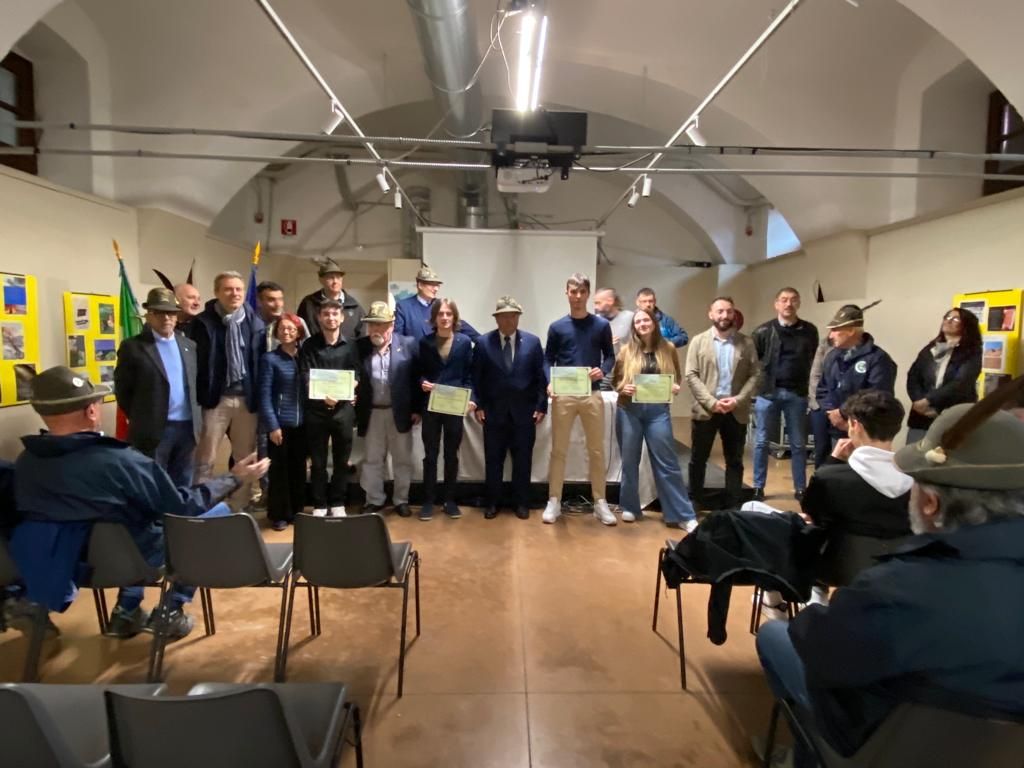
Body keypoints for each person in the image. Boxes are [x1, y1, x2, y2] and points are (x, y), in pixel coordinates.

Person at [756, 381, 1024, 765]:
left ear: (929, 502)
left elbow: (818, 650)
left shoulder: (895, 590)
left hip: (882, 750)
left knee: (776, 637)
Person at [9, 367, 268, 639]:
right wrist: (234, 478)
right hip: (134, 561)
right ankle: (170, 610)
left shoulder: (26, 463)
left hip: (68, 564)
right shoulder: (119, 462)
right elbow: (183, 506)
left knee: (131, 522)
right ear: (92, 411)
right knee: (212, 517)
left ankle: (127, 612)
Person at [612, 308, 697, 531]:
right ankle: (630, 506)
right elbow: (615, 380)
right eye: (638, 321)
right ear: (634, 326)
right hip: (629, 410)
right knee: (629, 461)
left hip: (658, 412)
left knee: (667, 462)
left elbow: (676, 376)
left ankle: (682, 514)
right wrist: (623, 387)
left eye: (646, 320)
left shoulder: (668, 348)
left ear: (654, 323)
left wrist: (675, 386)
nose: (642, 324)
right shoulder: (626, 351)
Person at [542, 273, 617, 525]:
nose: (577, 296)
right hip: (563, 395)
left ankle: (600, 502)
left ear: (587, 293)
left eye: (581, 292)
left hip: (591, 393)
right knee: (559, 450)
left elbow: (610, 356)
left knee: (596, 450)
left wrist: (602, 370)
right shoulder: (557, 327)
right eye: (573, 292)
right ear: (567, 293)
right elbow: (547, 359)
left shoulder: (601, 326)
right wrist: (549, 381)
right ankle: (554, 500)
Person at [189, 271, 266, 506]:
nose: (234, 294)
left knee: (245, 458)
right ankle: (202, 509)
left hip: (247, 400)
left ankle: (239, 508)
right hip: (215, 400)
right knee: (205, 458)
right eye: (228, 289)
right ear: (217, 292)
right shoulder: (202, 323)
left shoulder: (255, 323)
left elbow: (259, 363)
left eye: (238, 289)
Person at [114, 287, 202, 488]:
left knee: (183, 483)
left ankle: (179, 511)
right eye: (159, 313)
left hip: (187, 428)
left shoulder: (189, 345)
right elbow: (123, 391)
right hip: (154, 430)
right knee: (152, 483)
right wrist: (143, 418)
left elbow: (194, 384)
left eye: (171, 313)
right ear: (148, 315)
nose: (166, 318)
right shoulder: (133, 347)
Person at [472, 296, 547, 520]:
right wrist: (478, 405)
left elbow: (540, 378)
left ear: (518, 318)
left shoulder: (533, 342)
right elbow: (476, 377)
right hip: (493, 413)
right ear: (496, 319)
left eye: (512, 316)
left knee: (523, 460)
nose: (508, 320)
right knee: (493, 460)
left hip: (524, 413)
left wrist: (541, 405)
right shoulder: (483, 343)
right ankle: (492, 502)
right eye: (503, 316)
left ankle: (521, 502)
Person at [685, 296, 761, 509]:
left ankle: (733, 504)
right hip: (706, 410)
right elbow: (691, 375)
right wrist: (711, 402)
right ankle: (695, 500)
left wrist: (738, 400)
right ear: (711, 314)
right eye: (720, 311)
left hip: (735, 410)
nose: (725, 315)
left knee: (735, 460)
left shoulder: (747, 343)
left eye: (729, 311)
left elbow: (755, 374)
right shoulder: (698, 341)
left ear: (734, 314)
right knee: (698, 458)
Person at [750, 287, 819, 501]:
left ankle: (800, 488)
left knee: (798, 444)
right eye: (784, 300)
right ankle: (758, 487)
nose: (788, 304)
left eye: (793, 300)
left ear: (799, 303)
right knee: (761, 442)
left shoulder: (810, 331)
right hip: (767, 393)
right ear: (776, 304)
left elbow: (814, 360)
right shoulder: (762, 331)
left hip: (797, 393)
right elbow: (754, 362)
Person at [355, 301, 418, 518]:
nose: (376, 329)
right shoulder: (360, 347)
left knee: (402, 459)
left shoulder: (408, 345)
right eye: (372, 324)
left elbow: (416, 379)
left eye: (381, 325)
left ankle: (401, 500)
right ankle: (374, 500)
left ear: (391, 326)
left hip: (399, 412)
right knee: (372, 459)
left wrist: (417, 409)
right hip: (372, 412)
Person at [298, 300, 360, 517]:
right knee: (318, 462)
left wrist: (344, 392)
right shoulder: (309, 345)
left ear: (341, 318)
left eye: (335, 314)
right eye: (326, 314)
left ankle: (337, 502)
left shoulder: (351, 345)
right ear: (319, 318)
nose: (331, 318)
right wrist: (324, 396)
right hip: (316, 411)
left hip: (343, 411)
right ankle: (319, 504)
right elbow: (305, 374)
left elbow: (357, 374)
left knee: (342, 461)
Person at [416, 298, 475, 521]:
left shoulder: (464, 342)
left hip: (454, 405)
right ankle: (428, 501)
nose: (444, 317)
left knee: (452, 454)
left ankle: (450, 501)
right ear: (434, 318)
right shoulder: (425, 342)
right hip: (431, 406)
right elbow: (418, 372)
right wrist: (422, 382)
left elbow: (469, 374)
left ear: (454, 317)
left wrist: (471, 398)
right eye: (440, 314)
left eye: (448, 314)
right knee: (430, 455)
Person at [816, 302, 897, 451]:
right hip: (835, 429)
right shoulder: (832, 357)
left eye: (835, 330)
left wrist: (843, 413)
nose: (830, 335)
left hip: (866, 433)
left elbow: (878, 396)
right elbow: (822, 389)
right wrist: (833, 414)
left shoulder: (878, 359)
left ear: (851, 331)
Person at [258, 314, 308, 531]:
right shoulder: (269, 359)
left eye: (291, 329)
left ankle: (297, 511)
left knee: (298, 470)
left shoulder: (305, 357)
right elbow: (264, 395)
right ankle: (279, 515)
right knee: (279, 472)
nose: (286, 332)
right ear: (276, 333)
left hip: (303, 424)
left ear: (298, 332)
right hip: (280, 425)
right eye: (282, 329)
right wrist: (272, 425)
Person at [905, 306, 982, 444]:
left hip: (953, 415)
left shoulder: (972, 352)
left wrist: (929, 400)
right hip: (921, 416)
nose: (949, 321)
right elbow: (913, 376)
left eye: (956, 319)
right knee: (914, 453)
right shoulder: (930, 349)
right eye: (947, 317)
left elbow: (961, 383)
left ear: (966, 325)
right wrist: (917, 400)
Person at [394, 265, 480, 342]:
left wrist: (484, 343)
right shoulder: (404, 307)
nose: (436, 289)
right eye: (432, 285)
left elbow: (460, 325)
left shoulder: (441, 305)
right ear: (420, 285)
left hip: (439, 354)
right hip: (415, 354)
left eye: (437, 285)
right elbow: (398, 339)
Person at [296, 257, 366, 338]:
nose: (335, 281)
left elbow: (362, 337)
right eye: (330, 277)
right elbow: (300, 332)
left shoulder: (355, 307)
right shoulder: (308, 304)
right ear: (321, 280)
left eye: (338, 277)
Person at [257, 280, 310, 351]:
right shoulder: (251, 324)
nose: (278, 304)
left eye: (280, 299)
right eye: (271, 300)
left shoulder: (297, 322)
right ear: (259, 301)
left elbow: (308, 350)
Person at [807, 337, 833, 468]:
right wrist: (817, 403)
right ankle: (820, 478)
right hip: (821, 405)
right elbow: (815, 375)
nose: (833, 334)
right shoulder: (825, 344)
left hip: (844, 409)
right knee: (821, 449)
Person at [593, 287, 635, 355]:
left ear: (610, 301)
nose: (596, 307)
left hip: (625, 360)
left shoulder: (630, 317)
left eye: (598, 303)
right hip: (602, 361)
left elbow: (638, 342)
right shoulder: (594, 321)